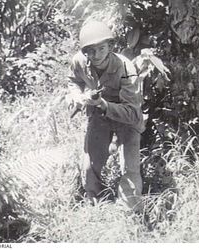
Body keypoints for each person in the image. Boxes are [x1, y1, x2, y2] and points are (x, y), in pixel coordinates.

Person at [68, 20, 145, 213]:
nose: (96, 55)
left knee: (130, 168)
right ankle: (96, 206)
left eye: (101, 49)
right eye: (90, 51)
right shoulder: (79, 60)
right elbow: (73, 81)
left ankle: (129, 214)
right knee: (90, 166)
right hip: (99, 115)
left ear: (110, 47)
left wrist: (103, 104)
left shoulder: (126, 69)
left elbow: (133, 112)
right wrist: (78, 97)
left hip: (127, 119)